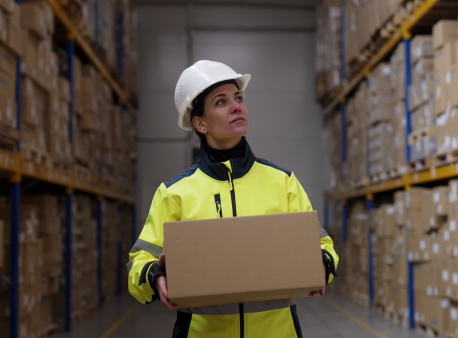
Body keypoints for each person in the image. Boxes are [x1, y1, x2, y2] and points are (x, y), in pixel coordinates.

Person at [127, 60, 339, 338]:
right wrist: (155, 277)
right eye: (221, 101)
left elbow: (322, 245)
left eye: (239, 98)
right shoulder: (175, 193)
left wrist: (323, 262)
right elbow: (139, 265)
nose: (237, 106)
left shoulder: (282, 181)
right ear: (200, 123)